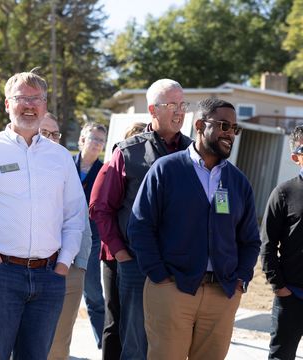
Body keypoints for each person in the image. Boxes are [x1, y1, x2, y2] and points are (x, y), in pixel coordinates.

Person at [0, 71, 86, 360]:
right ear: (6, 104)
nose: (30, 105)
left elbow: (75, 215)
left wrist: (63, 264)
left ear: (45, 104)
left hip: (49, 276)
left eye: (37, 99)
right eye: (22, 98)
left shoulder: (60, 157)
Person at [128, 97, 261, 360]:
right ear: (200, 125)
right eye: (223, 125)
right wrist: (159, 275)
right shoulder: (166, 169)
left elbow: (250, 240)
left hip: (222, 294)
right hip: (172, 290)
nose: (230, 134)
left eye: (234, 128)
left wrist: (239, 280)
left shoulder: (238, 181)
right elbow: (140, 226)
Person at [89, 78, 192, 359]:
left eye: (182, 105)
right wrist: (121, 253)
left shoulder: (194, 152)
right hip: (136, 264)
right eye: (171, 105)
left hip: (180, 265)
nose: (179, 111)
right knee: (135, 343)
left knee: (172, 341)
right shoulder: (128, 152)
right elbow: (101, 207)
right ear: (152, 110)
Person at [89, 121, 147, 360]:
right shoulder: (115, 162)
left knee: (137, 321)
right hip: (115, 256)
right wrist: (119, 250)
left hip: (138, 256)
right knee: (116, 318)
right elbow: (98, 208)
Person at [40, 112, 92, 360]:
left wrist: (78, 266)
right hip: (20, 271)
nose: (51, 139)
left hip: (67, 272)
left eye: (55, 134)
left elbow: (81, 220)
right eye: (44, 133)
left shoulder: (66, 168)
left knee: (58, 348)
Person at [261, 125, 303, 360]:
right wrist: (280, 287)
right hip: (292, 297)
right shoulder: (284, 193)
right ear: (295, 156)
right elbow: (267, 246)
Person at [73, 122, 107, 349]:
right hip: (58, 238)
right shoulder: (64, 164)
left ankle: (103, 345)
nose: (96, 144)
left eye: (100, 141)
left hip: (92, 240)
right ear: (81, 140)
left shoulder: (106, 172)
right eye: (93, 138)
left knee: (94, 295)